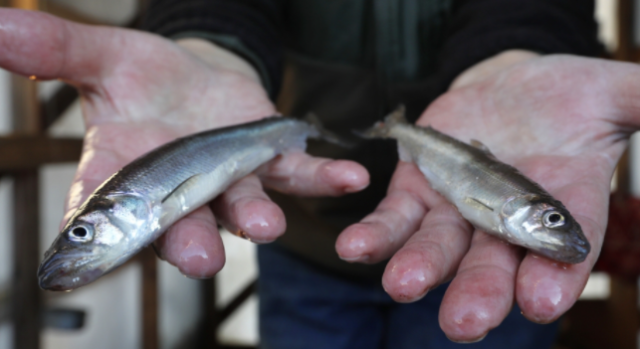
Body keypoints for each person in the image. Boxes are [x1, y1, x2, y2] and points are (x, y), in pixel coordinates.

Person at [0, 1, 635, 347]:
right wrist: (202, 39)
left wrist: (522, 46)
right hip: (301, 238)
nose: (78, 243)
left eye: (83, 233)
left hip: (471, 251)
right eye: (84, 235)